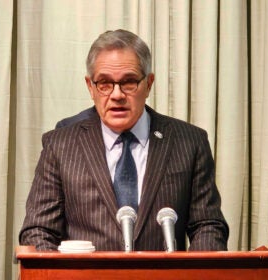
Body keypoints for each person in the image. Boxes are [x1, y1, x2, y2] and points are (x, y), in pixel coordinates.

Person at [19, 29, 229, 251]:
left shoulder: (189, 142)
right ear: (90, 87)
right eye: (105, 83)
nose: (117, 94)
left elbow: (207, 225)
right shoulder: (60, 146)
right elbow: (38, 231)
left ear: (148, 84)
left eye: (128, 82)